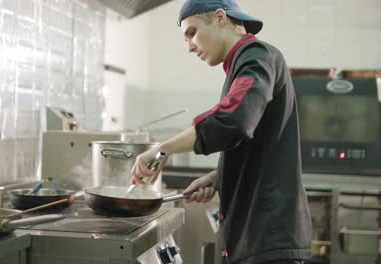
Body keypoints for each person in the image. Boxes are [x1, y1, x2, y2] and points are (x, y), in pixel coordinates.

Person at [129, 0, 312, 263]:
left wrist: (162, 149)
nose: (190, 46)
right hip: (254, 237)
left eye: (192, 33)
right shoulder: (243, 64)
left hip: (267, 239)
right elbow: (257, 142)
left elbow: (234, 120)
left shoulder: (256, 55)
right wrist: (218, 177)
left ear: (219, 17)